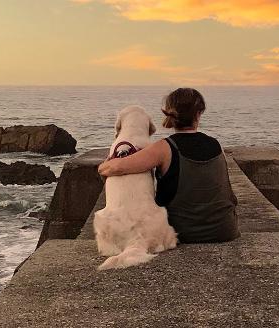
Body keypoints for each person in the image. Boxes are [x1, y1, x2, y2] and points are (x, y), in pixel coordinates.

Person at [98, 88, 240, 243]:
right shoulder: (216, 145)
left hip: (182, 233)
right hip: (225, 230)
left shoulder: (163, 148)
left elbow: (116, 168)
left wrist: (103, 166)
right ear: (199, 114)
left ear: (169, 114)